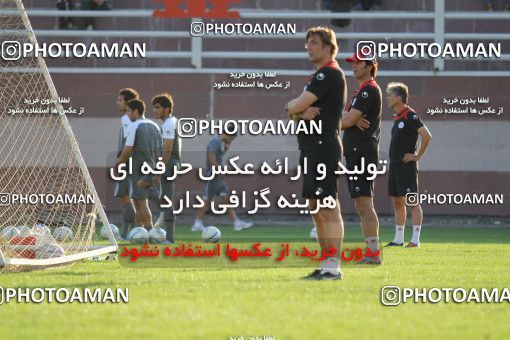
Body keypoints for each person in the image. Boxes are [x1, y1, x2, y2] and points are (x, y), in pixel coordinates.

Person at [286, 26, 347, 280]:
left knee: (327, 205)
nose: (308, 47)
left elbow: (294, 106)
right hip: (311, 149)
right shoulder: (318, 76)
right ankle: (325, 264)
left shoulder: (328, 74)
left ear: (329, 47)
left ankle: (333, 267)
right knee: (314, 206)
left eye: (314, 43)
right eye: (307, 43)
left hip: (323, 148)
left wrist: (294, 109)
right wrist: (297, 112)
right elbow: (295, 112)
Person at [341, 51, 382, 264]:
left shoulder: (369, 91)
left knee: (365, 204)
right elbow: (347, 119)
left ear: (369, 66)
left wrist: (347, 120)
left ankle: (373, 254)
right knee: (361, 204)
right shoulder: (361, 91)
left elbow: (346, 121)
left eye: (358, 63)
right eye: (352, 62)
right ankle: (371, 252)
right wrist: (349, 119)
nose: (353, 65)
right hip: (356, 153)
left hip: (362, 152)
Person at [384, 82, 432, 248]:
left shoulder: (410, 115)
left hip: (407, 167)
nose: (387, 98)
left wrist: (417, 156)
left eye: (389, 95)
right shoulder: (398, 117)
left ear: (399, 98)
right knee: (398, 203)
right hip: (395, 166)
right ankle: (398, 239)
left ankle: (416, 240)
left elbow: (427, 136)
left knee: (412, 201)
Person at [191, 131, 253, 232]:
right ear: (227, 134)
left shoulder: (219, 142)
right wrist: (218, 170)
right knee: (207, 200)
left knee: (226, 198)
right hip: (213, 176)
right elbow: (211, 156)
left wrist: (226, 148)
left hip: (218, 177)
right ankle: (197, 224)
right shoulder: (215, 141)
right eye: (231, 139)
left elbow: (218, 155)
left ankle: (237, 223)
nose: (231, 141)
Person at [116, 99, 162, 234]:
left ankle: (151, 233)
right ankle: (137, 233)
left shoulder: (134, 126)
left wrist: (119, 163)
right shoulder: (155, 126)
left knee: (141, 204)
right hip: (151, 169)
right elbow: (160, 151)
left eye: (129, 110)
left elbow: (128, 149)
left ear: (136, 111)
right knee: (139, 202)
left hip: (138, 170)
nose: (128, 114)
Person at [152, 93, 181, 243]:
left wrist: (159, 170)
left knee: (166, 201)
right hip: (168, 164)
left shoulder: (169, 123)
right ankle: (160, 221)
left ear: (167, 109)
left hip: (169, 165)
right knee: (163, 199)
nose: (154, 110)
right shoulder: (168, 123)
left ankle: (169, 239)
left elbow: (168, 150)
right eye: (154, 107)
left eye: (157, 107)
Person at [114, 88, 138, 239]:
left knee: (126, 196)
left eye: (120, 100)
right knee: (127, 196)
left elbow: (129, 143)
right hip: (133, 162)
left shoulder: (127, 119)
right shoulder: (133, 118)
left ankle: (131, 231)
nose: (117, 102)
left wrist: (120, 161)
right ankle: (130, 232)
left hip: (128, 162)